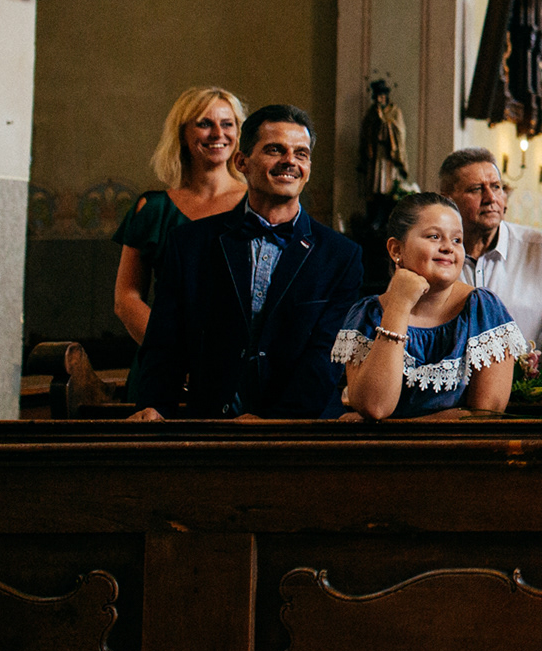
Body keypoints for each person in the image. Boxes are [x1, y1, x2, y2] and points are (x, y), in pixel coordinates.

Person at [131, 105, 362, 420]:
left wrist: (272, 424)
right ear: (242, 162)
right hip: (211, 426)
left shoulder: (341, 255)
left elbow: (325, 357)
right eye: (274, 150)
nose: (290, 161)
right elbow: (164, 344)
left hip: (304, 431)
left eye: (301, 154)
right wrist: (155, 406)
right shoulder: (190, 244)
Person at [333, 192, 526, 419]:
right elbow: (375, 407)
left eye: (457, 240)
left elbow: (484, 417)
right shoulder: (367, 314)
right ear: (396, 250)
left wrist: (391, 429)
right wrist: (400, 305)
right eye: (434, 236)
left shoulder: (483, 310)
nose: (448, 248)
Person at [112, 87, 247, 401]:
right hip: (161, 369)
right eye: (204, 123)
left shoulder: (257, 205)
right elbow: (126, 297)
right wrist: (169, 351)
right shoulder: (153, 208)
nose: (218, 134)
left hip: (236, 369)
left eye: (227, 124)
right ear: (182, 133)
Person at [437, 146, 542, 357]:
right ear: (447, 200)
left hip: (529, 378)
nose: (491, 198)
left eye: (496, 187)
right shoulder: (435, 255)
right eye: (476, 189)